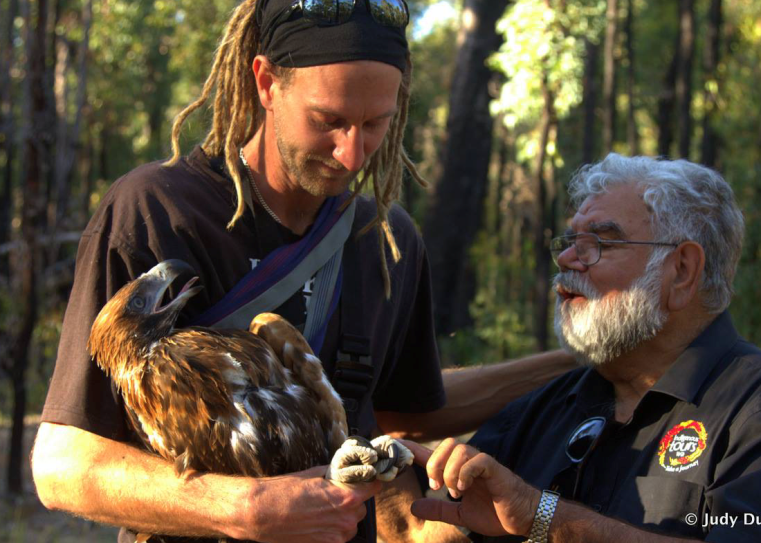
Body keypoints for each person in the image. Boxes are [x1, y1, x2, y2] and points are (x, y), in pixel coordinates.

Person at [30, 1, 574, 543]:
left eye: (375, 123)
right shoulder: (158, 212)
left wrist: (581, 367)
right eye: (329, 121)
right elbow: (63, 467)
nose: (353, 154)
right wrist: (244, 508)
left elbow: (411, 412)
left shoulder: (386, 240)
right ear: (266, 83)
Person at [406, 154, 761, 543]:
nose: (567, 258)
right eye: (570, 241)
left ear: (683, 271)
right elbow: (429, 529)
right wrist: (380, 471)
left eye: (601, 242)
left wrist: (541, 517)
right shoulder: (546, 409)